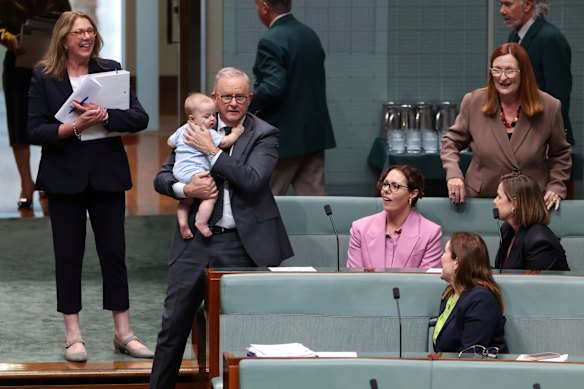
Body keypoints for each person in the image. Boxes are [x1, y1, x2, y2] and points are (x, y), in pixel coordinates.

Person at [150, 67, 294, 389]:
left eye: (240, 97)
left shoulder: (263, 134)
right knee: (173, 327)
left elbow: (252, 180)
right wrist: (186, 191)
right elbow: (162, 178)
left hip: (239, 244)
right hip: (193, 244)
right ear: (214, 97)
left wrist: (211, 152)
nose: (232, 103)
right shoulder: (194, 126)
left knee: (241, 332)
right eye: (226, 96)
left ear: (250, 99)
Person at [26, 11, 153, 362]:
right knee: (69, 256)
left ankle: (123, 332)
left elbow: (140, 117)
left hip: (107, 176)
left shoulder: (110, 69)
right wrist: (76, 126)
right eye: (78, 32)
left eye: (90, 31)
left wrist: (107, 116)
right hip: (64, 178)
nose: (86, 37)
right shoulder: (44, 76)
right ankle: (73, 334)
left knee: (114, 253)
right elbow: (34, 130)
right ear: (64, 39)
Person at [441, 42, 571, 208]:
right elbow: (450, 142)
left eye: (510, 70)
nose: (502, 77)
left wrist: (557, 186)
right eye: (497, 70)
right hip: (483, 199)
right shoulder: (473, 102)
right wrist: (453, 174)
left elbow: (561, 154)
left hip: (528, 202)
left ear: (523, 73)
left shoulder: (550, 107)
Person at [250, 0, 336, 196]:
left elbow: (272, 87)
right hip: (313, 134)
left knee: (267, 201)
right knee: (315, 201)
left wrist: (245, 102)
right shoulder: (309, 34)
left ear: (264, 6)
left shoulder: (270, 40)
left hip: (284, 137)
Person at [0, 0, 71, 209]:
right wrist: (11, 40)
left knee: (51, 122)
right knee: (18, 123)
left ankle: (46, 179)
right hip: (18, 63)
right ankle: (26, 184)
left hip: (52, 64)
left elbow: (69, 21)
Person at [167, 92, 244, 239]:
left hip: (179, 171)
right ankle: (201, 222)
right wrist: (236, 133)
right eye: (207, 116)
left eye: (214, 115)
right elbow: (224, 143)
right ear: (192, 119)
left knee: (186, 199)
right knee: (210, 195)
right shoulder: (206, 132)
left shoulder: (182, 129)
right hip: (196, 172)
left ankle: (182, 223)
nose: (212, 119)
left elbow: (170, 142)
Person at [500, 0, 573, 144]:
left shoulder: (550, 39)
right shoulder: (514, 37)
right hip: (521, 138)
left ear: (527, 5)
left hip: (544, 143)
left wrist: (548, 140)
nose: (502, 11)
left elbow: (558, 98)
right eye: (501, 5)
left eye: (508, 4)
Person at [347, 165, 442, 269]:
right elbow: (354, 277)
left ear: (413, 194)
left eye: (395, 186)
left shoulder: (431, 233)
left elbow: (426, 282)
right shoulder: (360, 229)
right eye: (385, 184)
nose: (386, 190)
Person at [433, 232, 508, 354]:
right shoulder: (449, 294)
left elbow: (470, 355)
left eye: (444, 252)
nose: (440, 258)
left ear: (456, 262)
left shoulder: (481, 300)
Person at [493, 172, 569, 271]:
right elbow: (502, 271)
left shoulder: (540, 242)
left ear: (514, 203)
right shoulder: (507, 229)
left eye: (499, 197)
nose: (494, 201)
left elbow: (536, 284)